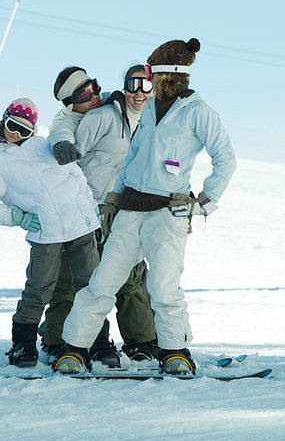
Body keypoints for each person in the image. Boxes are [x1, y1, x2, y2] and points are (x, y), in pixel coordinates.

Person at [54, 38, 237, 375]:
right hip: (129, 211)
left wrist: (204, 202)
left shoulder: (198, 112)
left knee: (164, 287)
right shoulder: (150, 109)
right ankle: (75, 349)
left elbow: (225, 159)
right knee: (102, 282)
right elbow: (133, 157)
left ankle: (175, 352)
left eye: (152, 75)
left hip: (167, 213)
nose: (147, 83)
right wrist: (114, 198)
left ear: (173, 76)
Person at [0, 98, 100, 367]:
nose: (16, 134)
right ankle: (23, 345)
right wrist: (17, 217)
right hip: (45, 232)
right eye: (12, 126)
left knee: (90, 286)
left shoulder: (45, 147)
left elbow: (77, 177)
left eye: (24, 130)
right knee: (39, 288)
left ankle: (97, 343)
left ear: (33, 131)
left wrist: (90, 211)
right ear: (3, 120)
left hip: (80, 227)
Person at [40, 65, 157, 367]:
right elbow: (62, 130)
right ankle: (66, 341)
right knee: (78, 281)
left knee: (128, 278)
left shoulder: (142, 116)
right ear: (70, 101)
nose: (92, 93)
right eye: (82, 92)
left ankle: (143, 342)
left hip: (123, 211)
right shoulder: (97, 116)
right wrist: (62, 145)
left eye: (92, 86)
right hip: (84, 212)